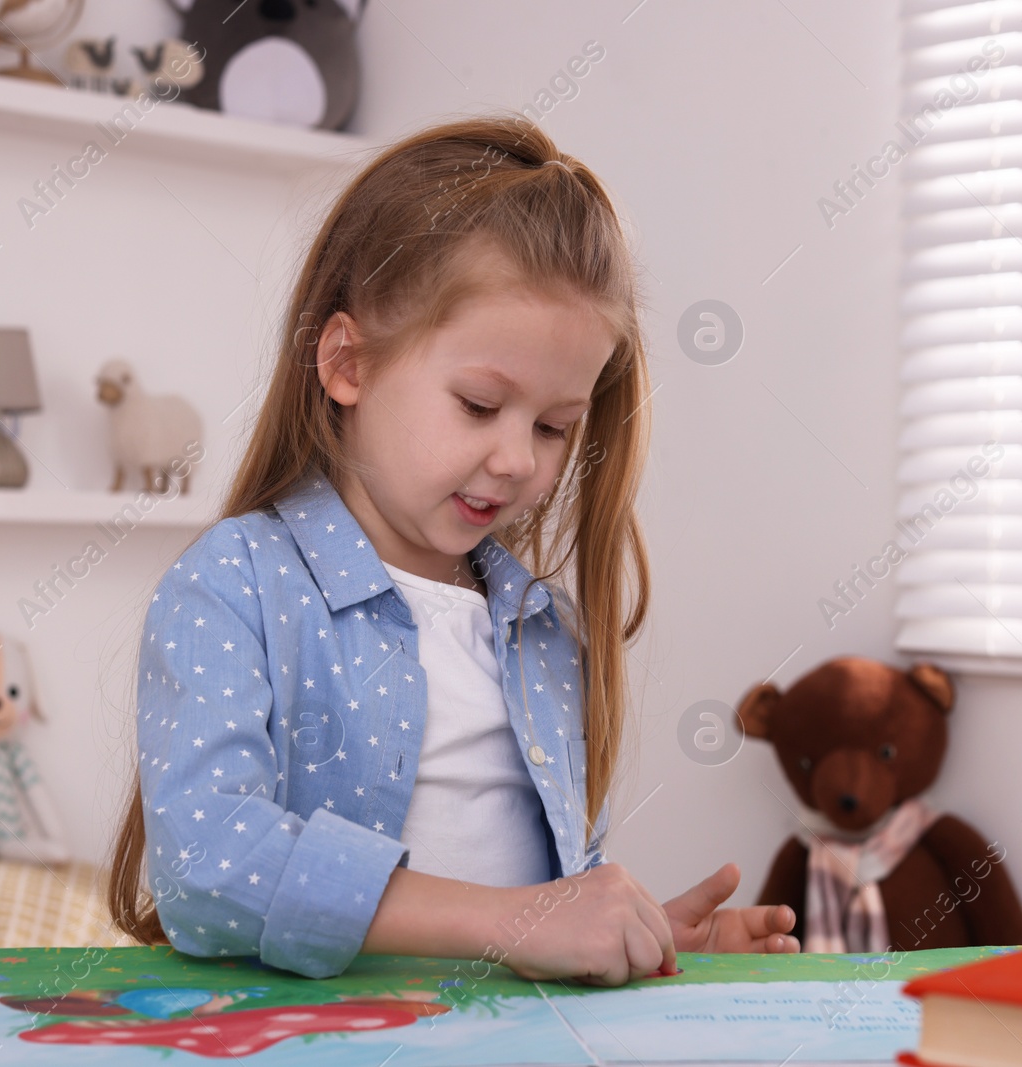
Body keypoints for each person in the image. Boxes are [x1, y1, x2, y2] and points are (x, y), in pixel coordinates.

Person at [107, 113, 799, 986]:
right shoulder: (234, 583)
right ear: (348, 364)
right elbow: (209, 865)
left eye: (554, 427)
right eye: (478, 405)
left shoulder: (540, 630)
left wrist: (636, 931)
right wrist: (518, 920)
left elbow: (521, 914)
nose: (518, 460)